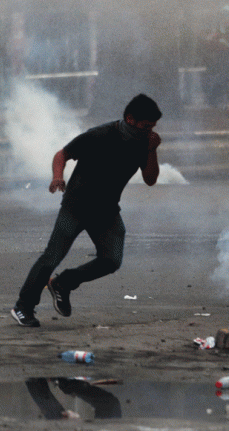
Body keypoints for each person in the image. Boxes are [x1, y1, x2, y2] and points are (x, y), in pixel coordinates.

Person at [10, 93, 162, 328]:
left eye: (152, 127)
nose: (148, 131)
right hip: (76, 206)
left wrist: (152, 150)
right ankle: (23, 307)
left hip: (106, 211)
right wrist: (57, 177)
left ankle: (64, 283)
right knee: (52, 255)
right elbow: (63, 154)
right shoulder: (100, 135)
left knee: (111, 259)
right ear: (130, 119)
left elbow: (150, 179)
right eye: (145, 126)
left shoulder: (145, 143)